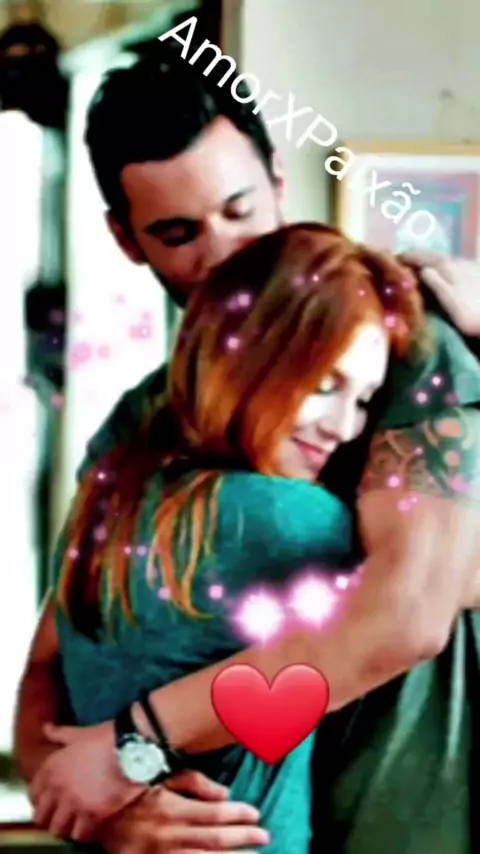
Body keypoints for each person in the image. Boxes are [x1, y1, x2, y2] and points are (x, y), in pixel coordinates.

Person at [14, 46, 480, 854]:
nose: (225, 252)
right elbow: (49, 667)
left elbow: (408, 613)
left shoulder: (402, 348)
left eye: (239, 209)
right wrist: (109, 808)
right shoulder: (140, 422)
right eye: (179, 233)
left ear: (277, 184)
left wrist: (131, 745)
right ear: (127, 240)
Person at [31, 222, 432, 854]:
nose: (344, 427)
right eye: (324, 385)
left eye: (364, 399)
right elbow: (441, 586)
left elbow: (43, 666)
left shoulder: (111, 496)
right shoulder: (284, 518)